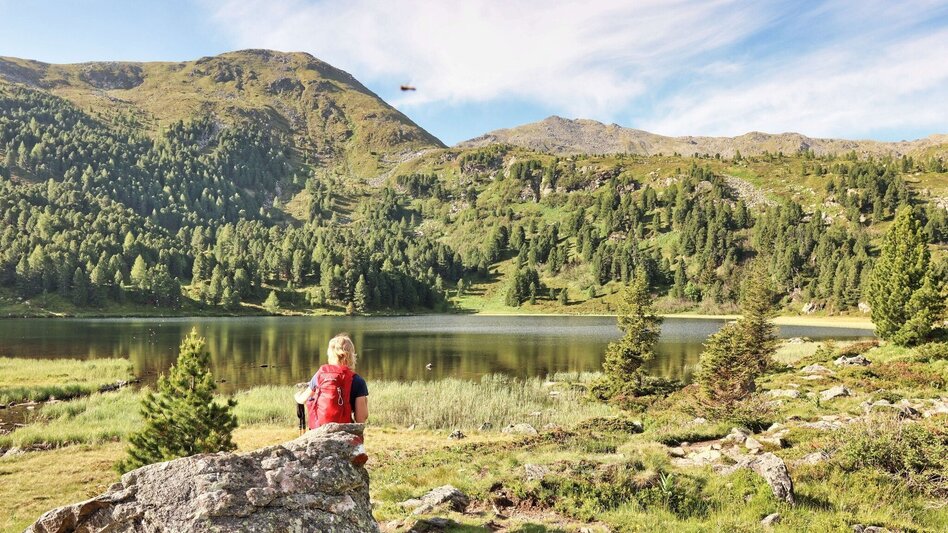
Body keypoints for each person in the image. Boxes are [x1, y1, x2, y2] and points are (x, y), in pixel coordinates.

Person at [304, 333, 368, 429]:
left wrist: (297, 396)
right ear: (351, 355)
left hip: (319, 430)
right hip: (344, 433)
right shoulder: (358, 381)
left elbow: (303, 399)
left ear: (330, 354)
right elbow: (360, 420)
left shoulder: (320, 375)